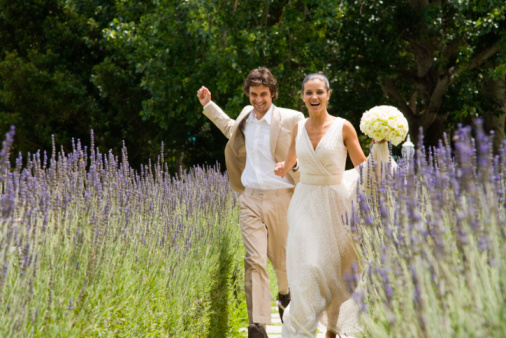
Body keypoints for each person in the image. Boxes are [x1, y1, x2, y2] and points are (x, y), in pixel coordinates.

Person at [274, 72, 392, 337]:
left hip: (336, 203)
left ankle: (332, 328)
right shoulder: (298, 127)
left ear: (328, 95)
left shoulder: (344, 127)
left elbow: (363, 166)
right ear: (303, 96)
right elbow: (292, 157)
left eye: (319, 92)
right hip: (305, 201)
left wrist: (380, 149)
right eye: (308, 92)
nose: (314, 97)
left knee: (336, 269)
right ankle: (303, 328)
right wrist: (284, 166)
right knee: (309, 266)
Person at [197, 67, 304, 338]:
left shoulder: (292, 118)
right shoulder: (247, 116)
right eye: (254, 94)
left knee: (282, 262)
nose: (258, 99)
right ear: (248, 93)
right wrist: (208, 105)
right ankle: (257, 325)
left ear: (273, 94)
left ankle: (285, 295)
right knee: (254, 260)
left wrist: (293, 164)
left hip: (282, 197)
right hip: (251, 198)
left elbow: (306, 149)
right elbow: (230, 129)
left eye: (264, 94)